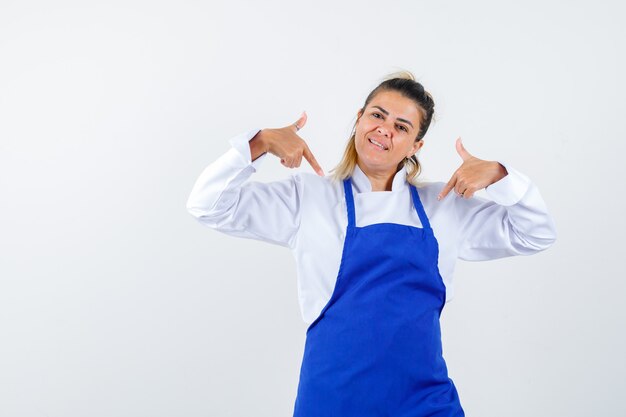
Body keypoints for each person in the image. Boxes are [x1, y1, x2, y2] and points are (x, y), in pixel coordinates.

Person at [186, 71, 557, 417]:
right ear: (360, 118)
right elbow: (207, 205)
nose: (384, 130)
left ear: (416, 145)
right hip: (331, 400)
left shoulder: (442, 205)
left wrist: (500, 176)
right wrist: (259, 143)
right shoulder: (309, 199)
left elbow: (535, 233)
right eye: (377, 115)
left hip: (425, 403)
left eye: (401, 126)